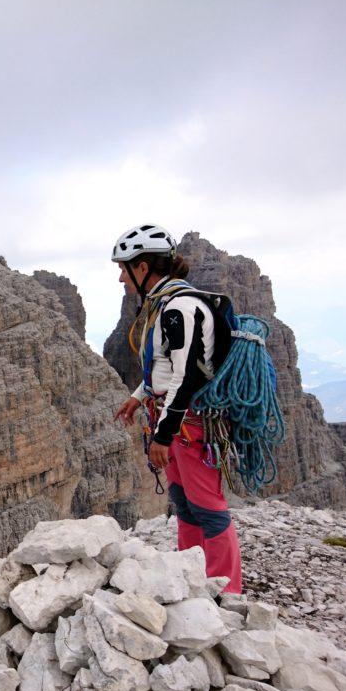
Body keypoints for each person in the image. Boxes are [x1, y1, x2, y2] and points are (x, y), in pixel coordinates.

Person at [111, 224, 242, 594]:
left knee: (209, 507)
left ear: (143, 267)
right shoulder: (163, 305)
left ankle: (226, 593)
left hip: (191, 424)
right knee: (184, 503)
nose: (120, 276)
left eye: (124, 267)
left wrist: (163, 436)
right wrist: (138, 396)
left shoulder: (180, 308)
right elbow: (163, 367)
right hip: (175, 419)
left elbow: (186, 378)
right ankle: (193, 579)